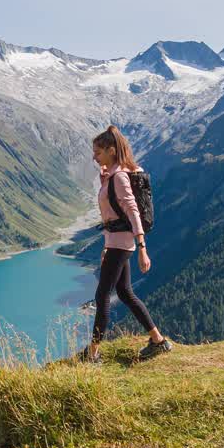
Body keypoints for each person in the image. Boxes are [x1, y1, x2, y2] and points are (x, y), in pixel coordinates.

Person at [80, 125, 173, 363]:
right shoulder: (112, 175)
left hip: (122, 244)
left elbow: (132, 212)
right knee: (124, 292)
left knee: (102, 296)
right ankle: (158, 341)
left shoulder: (120, 176)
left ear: (111, 151)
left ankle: (93, 355)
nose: (94, 157)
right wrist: (107, 246)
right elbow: (112, 216)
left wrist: (143, 249)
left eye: (98, 152)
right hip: (117, 243)